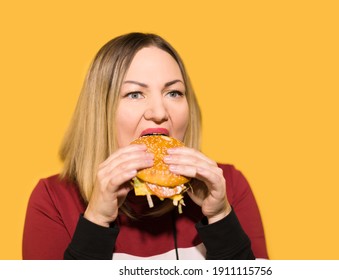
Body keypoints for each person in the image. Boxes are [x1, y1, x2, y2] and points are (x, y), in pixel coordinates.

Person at [22, 32, 268, 260]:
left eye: (173, 93)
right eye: (135, 94)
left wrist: (220, 217)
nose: (159, 112)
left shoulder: (228, 186)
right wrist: (96, 220)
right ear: (101, 110)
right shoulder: (53, 199)